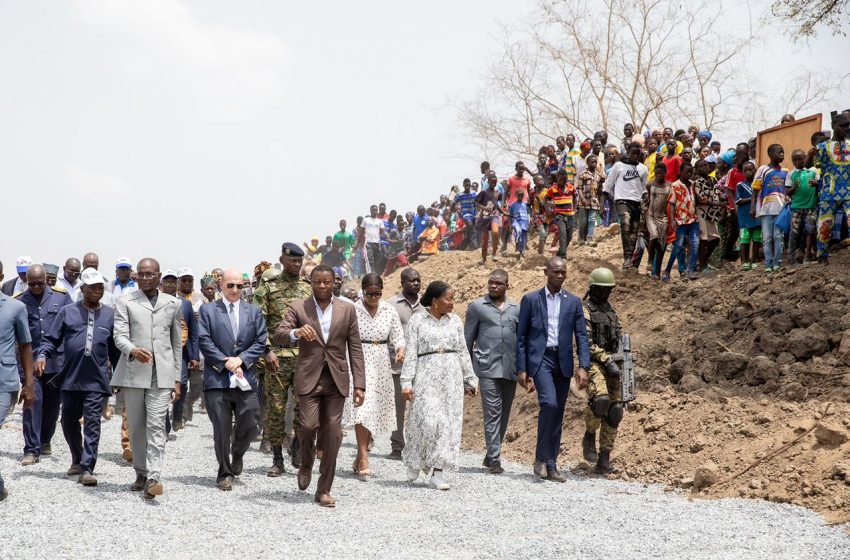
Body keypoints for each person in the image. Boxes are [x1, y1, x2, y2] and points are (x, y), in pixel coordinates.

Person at [273, 264, 366, 508]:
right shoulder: (298, 307)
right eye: (317, 282)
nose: (322, 286)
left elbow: (355, 348)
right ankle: (305, 463)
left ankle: (324, 489)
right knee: (307, 426)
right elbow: (279, 334)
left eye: (327, 282)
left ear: (335, 282)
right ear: (311, 283)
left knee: (334, 433)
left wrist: (360, 385)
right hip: (309, 377)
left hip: (337, 379)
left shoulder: (347, 309)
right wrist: (295, 332)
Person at [36, 268, 120, 486]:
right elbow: (52, 340)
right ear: (82, 289)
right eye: (93, 287)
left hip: (97, 379)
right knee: (68, 421)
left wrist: (119, 378)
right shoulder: (67, 312)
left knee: (92, 423)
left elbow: (115, 351)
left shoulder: (110, 314)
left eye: (101, 287)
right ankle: (77, 457)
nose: (97, 291)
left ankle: (87, 468)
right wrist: (43, 354)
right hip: (71, 377)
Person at [111, 258, 183, 501]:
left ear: (158, 276)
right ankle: (140, 472)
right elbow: (118, 335)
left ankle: (154, 476)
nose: (144, 278)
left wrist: (177, 378)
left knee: (156, 426)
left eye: (149, 274)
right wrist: (132, 349)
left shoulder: (172, 303)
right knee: (136, 427)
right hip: (133, 374)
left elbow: (176, 344)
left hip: (161, 375)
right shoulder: (125, 302)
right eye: (140, 274)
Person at [515, 257, 589, 482]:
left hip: (563, 361)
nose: (560, 275)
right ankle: (542, 455)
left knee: (557, 414)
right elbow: (521, 337)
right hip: (541, 360)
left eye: (563, 272)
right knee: (549, 403)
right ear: (546, 272)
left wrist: (583, 365)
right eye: (555, 271)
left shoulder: (573, 302)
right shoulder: (530, 299)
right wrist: (522, 368)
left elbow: (582, 336)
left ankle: (550, 463)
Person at [401, 281, 478, 491]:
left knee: (446, 425)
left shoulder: (455, 321)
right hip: (426, 376)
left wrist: (470, 379)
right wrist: (406, 382)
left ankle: (437, 473)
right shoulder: (417, 321)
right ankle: (415, 459)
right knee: (426, 420)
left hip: (451, 378)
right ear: (435, 301)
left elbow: (463, 351)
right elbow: (410, 354)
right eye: (449, 299)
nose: (453, 303)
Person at [197, 269, 267, 490]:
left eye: (239, 286)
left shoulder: (254, 311)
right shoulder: (208, 311)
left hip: (245, 377)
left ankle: (238, 453)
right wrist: (225, 361)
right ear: (221, 286)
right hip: (217, 379)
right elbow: (204, 340)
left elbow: (260, 340)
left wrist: (242, 360)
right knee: (221, 428)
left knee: (252, 422)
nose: (235, 290)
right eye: (231, 286)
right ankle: (224, 472)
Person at [253, 242, 313, 475]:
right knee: (276, 409)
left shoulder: (308, 288)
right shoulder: (268, 287)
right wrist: (266, 351)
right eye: (292, 261)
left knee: (303, 408)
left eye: (299, 261)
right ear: (282, 260)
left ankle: (297, 446)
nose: (296, 265)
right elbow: (257, 323)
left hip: (304, 358)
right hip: (276, 358)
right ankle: (277, 459)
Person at [15, 264, 73, 465]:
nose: (37, 287)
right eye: (33, 284)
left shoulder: (62, 297)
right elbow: (17, 340)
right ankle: (31, 449)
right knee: (32, 403)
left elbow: (70, 328)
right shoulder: (20, 302)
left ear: (47, 281)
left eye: (41, 283)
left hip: (56, 361)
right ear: (27, 282)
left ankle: (45, 439)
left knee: (52, 406)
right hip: (30, 362)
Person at [464, 270, 518, 475]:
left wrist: (524, 369)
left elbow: (521, 341)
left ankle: (490, 453)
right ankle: (495, 459)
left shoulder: (516, 308)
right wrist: (467, 374)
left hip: (510, 369)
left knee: (504, 415)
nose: (494, 286)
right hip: (487, 368)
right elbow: (467, 341)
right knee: (492, 413)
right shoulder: (477, 307)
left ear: (507, 286)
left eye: (498, 283)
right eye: (491, 283)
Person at [351, 274, 405, 476]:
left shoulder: (389, 310)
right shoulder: (353, 310)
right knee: (361, 410)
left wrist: (400, 349)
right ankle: (364, 456)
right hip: (359, 360)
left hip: (382, 361)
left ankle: (359, 454)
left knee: (373, 410)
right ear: (362, 291)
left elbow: (398, 336)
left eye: (377, 293)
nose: (373, 297)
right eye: (369, 293)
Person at [580, 268, 628, 474]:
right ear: (592, 289)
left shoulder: (611, 312)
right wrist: (606, 359)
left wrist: (621, 360)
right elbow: (585, 342)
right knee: (600, 400)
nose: (605, 293)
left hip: (613, 362)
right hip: (594, 361)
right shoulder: (585, 310)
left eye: (608, 290)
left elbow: (619, 339)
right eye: (601, 289)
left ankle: (604, 457)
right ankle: (590, 434)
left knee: (615, 410)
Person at [0, 259, 36, 500]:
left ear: (1, 276)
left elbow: (25, 346)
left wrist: (29, 385)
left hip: (5, 380)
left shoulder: (15, 308)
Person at [387, 268, 421, 460]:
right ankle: (397, 446)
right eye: (411, 281)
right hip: (397, 364)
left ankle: (416, 445)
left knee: (419, 407)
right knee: (398, 407)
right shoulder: (391, 304)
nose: (415, 283)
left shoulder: (427, 305)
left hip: (421, 364)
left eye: (418, 280)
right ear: (402, 282)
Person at [603, 143, 649, 270]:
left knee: (634, 231)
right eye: (633, 153)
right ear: (628, 152)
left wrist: (645, 195)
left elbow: (644, 186)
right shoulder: (619, 166)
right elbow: (608, 184)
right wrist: (602, 204)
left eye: (638, 154)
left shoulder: (643, 169)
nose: (635, 156)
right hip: (622, 200)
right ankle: (627, 257)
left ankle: (629, 259)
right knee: (625, 223)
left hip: (637, 202)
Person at [813, 113, 850, 264]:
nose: (846, 129)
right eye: (843, 126)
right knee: (825, 224)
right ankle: (822, 254)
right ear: (834, 127)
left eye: (848, 126)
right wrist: (811, 156)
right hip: (829, 192)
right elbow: (813, 165)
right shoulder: (822, 147)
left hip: (849, 191)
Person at [751, 144, 788, 272]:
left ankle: (777, 262)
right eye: (779, 152)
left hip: (781, 209)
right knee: (767, 238)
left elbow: (788, 190)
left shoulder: (786, 172)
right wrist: (752, 207)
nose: (782, 154)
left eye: (783, 152)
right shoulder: (763, 169)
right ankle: (768, 263)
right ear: (771, 155)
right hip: (766, 210)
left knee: (778, 237)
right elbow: (755, 190)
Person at [663, 163, 700, 281]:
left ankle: (691, 270)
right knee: (678, 246)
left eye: (691, 172)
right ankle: (667, 271)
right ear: (681, 172)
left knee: (695, 244)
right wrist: (672, 220)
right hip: (681, 220)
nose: (689, 174)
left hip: (693, 219)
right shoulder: (675, 185)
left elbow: (696, 199)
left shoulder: (693, 185)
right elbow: (671, 204)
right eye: (687, 172)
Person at [785, 149, 819, 266]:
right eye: (795, 160)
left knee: (810, 230)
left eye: (801, 159)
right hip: (796, 208)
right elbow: (787, 192)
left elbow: (821, 185)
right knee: (794, 233)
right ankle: (791, 259)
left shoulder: (813, 171)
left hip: (811, 207)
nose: (798, 161)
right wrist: (794, 187)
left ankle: (807, 256)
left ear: (805, 158)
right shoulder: (791, 173)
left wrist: (817, 184)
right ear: (792, 161)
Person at [693, 159, 725, 272]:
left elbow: (717, 193)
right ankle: (702, 265)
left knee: (715, 239)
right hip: (702, 212)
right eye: (701, 166)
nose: (704, 168)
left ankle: (703, 261)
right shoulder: (697, 182)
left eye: (705, 165)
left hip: (712, 213)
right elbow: (701, 199)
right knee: (703, 239)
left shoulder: (713, 179)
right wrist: (719, 204)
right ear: (696, 169)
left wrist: (723, 199)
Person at [545, 168, 578, 259]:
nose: (562, 181)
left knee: (569, 235)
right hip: (559, 215)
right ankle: (563, 256)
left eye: (564, 179)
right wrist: (548, 210)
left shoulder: (570, 187)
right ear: (557, 178)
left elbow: (575, 196)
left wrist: (574, 209)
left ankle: (560, 252)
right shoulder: (553, 189)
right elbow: (545, 198)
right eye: (560, 179)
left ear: (566, 178)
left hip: (570, 214)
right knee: (562, 233)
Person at [646, 162, 671, 279]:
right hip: (651, 215)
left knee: (662, 246)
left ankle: (656, 273)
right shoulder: (651, 185)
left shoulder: (669, 186)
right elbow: (646, 201)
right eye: (656, 173)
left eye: (661, 173)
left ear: (665, 173)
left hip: (663, 218)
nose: (658, 175)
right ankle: (650, 260)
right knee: (654, 236)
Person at [576, 154, 604, 246]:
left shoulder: (599, 176)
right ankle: (581, 238)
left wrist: (600, 201)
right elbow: (579, 188)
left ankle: (590, 238)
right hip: (583, 201)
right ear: (587, 163)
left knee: (591, 220)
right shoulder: (583, 174)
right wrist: (582, 198)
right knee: (583, 221)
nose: (594, 164)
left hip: (594, 201)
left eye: (596, 162)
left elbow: (599, 190)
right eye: (592, 162)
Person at [475, 172, 502, 265]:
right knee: (485, 239)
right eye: (492, 182)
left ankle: (494, 253)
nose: (493, 184)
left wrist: (503, 212)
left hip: (494, 215)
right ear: (488, 182)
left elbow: (496, 204)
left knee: (495, 232)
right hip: (485, 217)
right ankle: (483, 258)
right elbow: (477, 203)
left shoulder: (498, 193)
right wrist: (484, 208)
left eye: (495, 182)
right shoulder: (483, 192)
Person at [455, 179, 478, 250]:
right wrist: (454, 210)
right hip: (465, 215)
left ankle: (461, 248)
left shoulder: (474, 193)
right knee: (472, 228)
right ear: (463, 185)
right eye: (466, 185)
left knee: (469, 234)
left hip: (473, 215)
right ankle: (474, 247)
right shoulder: (459, 195)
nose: (467, 187)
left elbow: (477, 203)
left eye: (469, 185)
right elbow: (453, 203)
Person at [363, 205, 386, 273]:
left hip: (377, 243)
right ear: (370, 211)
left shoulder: (380, 221)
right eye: (373, 210)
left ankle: (377, 274)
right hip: (369, 243)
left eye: (376, 210)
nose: (375, 211)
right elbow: (361, 231)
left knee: (377, 260)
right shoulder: (366, 220)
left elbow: (382, 230)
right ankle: (371, 274)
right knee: (371, 260)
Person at [508, 189, 531, 259]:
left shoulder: (525, 204)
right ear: (516, 195)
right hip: (516, 222)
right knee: (518, 232)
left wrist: (529, 222)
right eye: (519, 195)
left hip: (524, 222)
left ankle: (522, 251)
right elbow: (510, 215)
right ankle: (517, 248)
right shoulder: (513, 205)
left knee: (523, 237)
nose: (520, 197)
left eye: (522, 195)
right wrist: (510, 225)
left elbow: (529, 213)